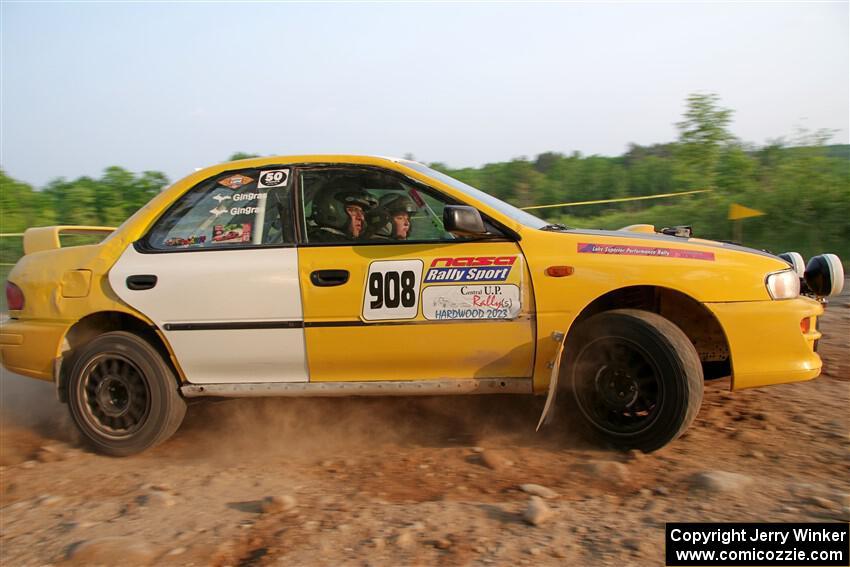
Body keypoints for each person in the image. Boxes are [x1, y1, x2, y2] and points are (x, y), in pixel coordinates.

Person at [308, 185, 377, 242]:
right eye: (353, 210)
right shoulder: (325, 243)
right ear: (333, 211)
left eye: (362, 212)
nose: (361, 218)